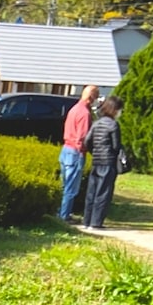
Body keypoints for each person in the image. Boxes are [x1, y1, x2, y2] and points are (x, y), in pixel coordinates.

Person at [57, 83, 99, 221]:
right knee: (71, 187)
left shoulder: (74, 109)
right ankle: (64, 215)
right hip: (76, 152)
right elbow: (82, 137)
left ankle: (61, 212)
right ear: (91, 98)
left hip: (66, 149)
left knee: (64, 185)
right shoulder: (85, 114)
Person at [82, 96, 124, 231]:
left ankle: (87, 221)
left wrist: (94, 152)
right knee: (103, 192)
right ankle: (96, 222)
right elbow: (116, 146)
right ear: (115, 110)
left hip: (96, 161)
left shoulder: (96, 123)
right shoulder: (113, 125)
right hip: (108, 162)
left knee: (92, 192)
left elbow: (87, 141)